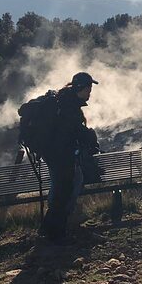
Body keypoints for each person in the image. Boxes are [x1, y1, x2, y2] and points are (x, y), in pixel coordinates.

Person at [40, 72, 100, 241]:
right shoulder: (69, 106)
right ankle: (56, 232)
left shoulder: (64, 100)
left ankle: (52, 228)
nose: (90, 92)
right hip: (61, 156)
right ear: (80, 88)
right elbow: (69, 131)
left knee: (64, 187)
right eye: (88, 88)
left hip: (54, 154)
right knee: (63, 190)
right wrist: (87, 136)